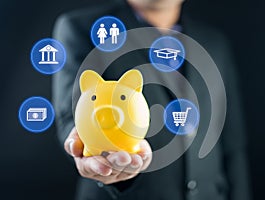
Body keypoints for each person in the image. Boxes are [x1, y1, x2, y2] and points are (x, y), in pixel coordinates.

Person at [52, 0, 252, 199]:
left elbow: (231, 140)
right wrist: (95, 155)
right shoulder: (85, 28)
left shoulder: (214, 42)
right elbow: (73, 114)